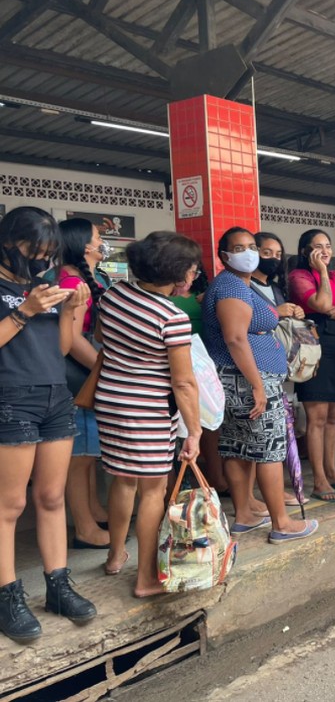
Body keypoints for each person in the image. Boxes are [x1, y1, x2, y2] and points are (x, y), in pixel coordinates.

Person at [0, 206, 96, 643]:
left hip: (55, 395)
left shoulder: (45, 283)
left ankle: (58, 585)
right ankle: (8, 595)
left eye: (48, 253)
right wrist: (23, 310)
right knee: (9, 505)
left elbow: (58, 349)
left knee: (52, 497)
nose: (41, 259)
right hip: (10, 398)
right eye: (33, 250)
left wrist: (69, 312)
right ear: (9, 243)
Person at [95, 231, 201, 597]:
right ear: (177, 273)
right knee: (153, 490)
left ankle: (114, 555)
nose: (194, 273)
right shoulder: (171, 318)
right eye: (191, 267)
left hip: (110, 402)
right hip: (148, 411)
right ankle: (144, 579)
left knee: (122, 480)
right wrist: (195, 431)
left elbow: (101, 337)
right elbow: (183, 382)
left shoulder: (113, 295)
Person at [202, 228, 317, 545]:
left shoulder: (239, 284)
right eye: (239, 247)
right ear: (224, 255)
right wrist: (256, 386)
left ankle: (245, 513)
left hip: (242, 377)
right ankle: (282, 523)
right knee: (269, 450)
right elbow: (236, 338)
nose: (249, 252)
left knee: (239, 447)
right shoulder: (231, 288)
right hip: (247, 379)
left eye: (252, 246)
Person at [288, 230, 335, 501]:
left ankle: (332, 472)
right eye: (318, 247)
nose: (325, 252)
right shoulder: (299, 277)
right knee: (316, 419)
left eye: (328, 246)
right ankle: (318, 479)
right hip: (312, 347)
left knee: (333, 417)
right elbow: (322, 303)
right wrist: (320, 270)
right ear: (306, 251)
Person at [57, 218, 112, 550]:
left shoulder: (86, 277)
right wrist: (102, 369)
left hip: (86, 373)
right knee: (78, 457)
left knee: (89, 452)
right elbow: (74, 339)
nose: (101, 242)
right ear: (82, 245)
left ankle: (92, 510)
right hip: (77, 376)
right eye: (97, 237)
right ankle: (84, 528)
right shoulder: (70, 280)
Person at [250, 232, 308, 509]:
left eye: (277, 253)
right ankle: (256, 497)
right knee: (259, 439)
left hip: (278, 365)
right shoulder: (242, 287)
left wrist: (292, 312)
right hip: (254, 370)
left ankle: (273, 491)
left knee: (277, 435)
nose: (273, 258)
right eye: (266, 252)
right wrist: (278, 311)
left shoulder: (274, 288)